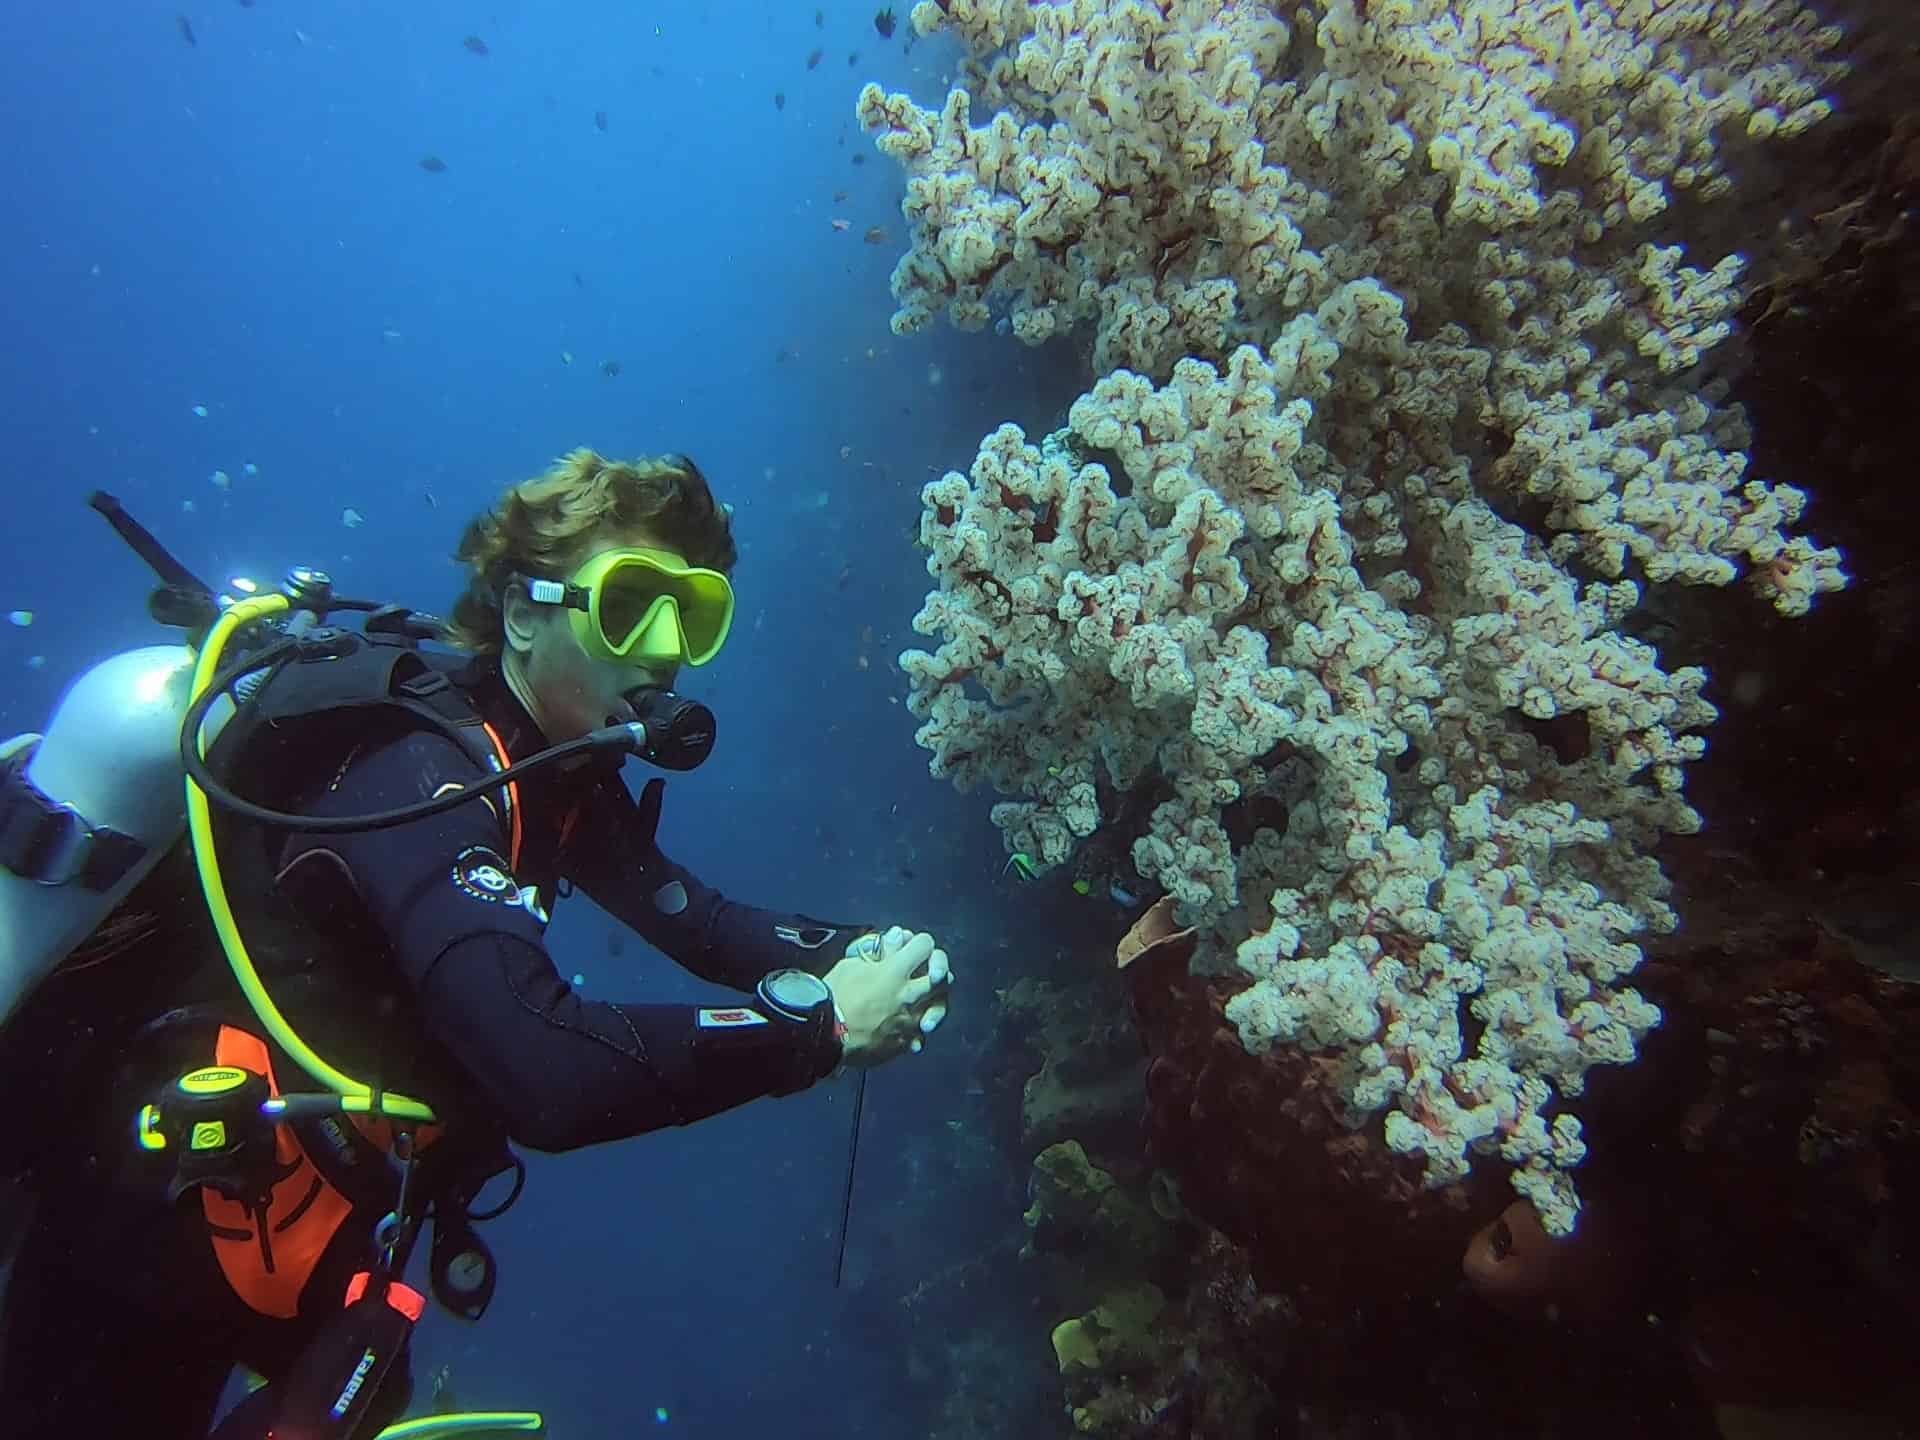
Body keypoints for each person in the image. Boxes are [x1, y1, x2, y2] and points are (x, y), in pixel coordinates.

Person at [0, 449, 952, 1436]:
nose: (667, 650)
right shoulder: (424, 774)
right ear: (524, 612)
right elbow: (544, 1069)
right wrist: (818, 1030)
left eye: (693, 613)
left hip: (285, 1229)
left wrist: (870, 951)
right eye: (630, 605)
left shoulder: (552, 773)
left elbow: (697, 919)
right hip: (143, 1243)